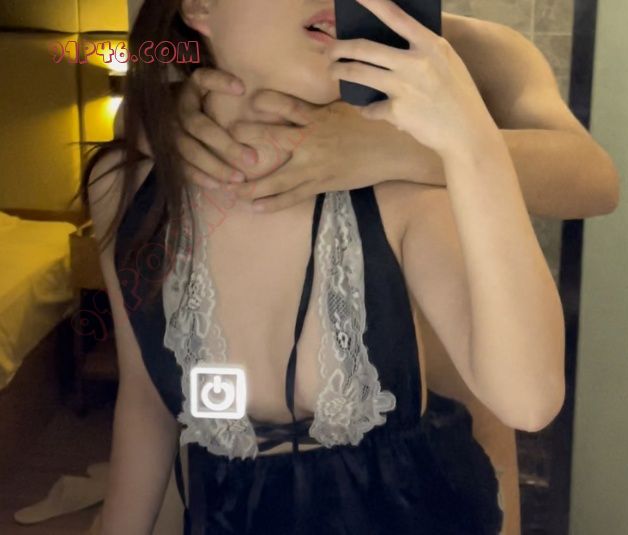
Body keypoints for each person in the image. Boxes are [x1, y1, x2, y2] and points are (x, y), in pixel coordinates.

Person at [84, 0, 569, 533]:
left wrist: (469, 145)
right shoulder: (125, 187)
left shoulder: (400, 188)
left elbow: (530, 401)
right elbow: (145, 398)